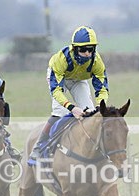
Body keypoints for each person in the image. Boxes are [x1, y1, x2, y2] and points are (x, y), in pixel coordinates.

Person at [27, 25, 109, 166]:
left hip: (78, 80)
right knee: (60, 112)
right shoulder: (61, 59)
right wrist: (71, 107)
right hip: (60, 80)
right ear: (75, 48)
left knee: (89, 112)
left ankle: (89, 149)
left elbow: (102, 87)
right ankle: (39, 147)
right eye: (83, 50)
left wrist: (101, 104)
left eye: (91, 49)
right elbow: (56, 91)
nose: (87, 54)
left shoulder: (97, 62)